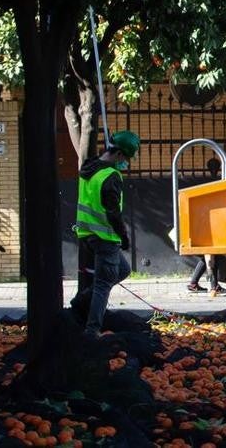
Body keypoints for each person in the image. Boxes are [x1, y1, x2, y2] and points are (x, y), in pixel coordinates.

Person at [70, 130, 139, 337]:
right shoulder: (111, 176)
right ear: (119, 154)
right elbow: (113, 213)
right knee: (103, 285)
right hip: (105, 237)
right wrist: (124, 237)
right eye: (126, 158)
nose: (126, 163)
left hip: (87, 233)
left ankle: (82, 300)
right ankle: (92, 330)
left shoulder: (89, 168)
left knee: (122, 270)